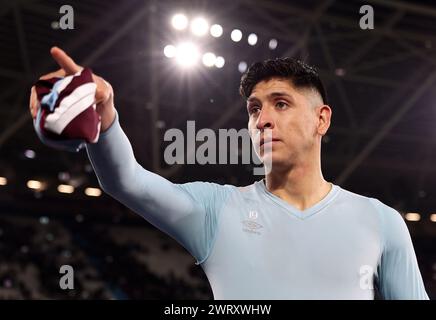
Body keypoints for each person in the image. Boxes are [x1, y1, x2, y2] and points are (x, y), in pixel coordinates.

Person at [29, 47, 429, 300]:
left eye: (281, 104)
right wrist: (105, 117)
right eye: (255, 109)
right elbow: (126, 181)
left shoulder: (381, 222)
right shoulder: (215, 210)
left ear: (321, 119)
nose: (263, 120)